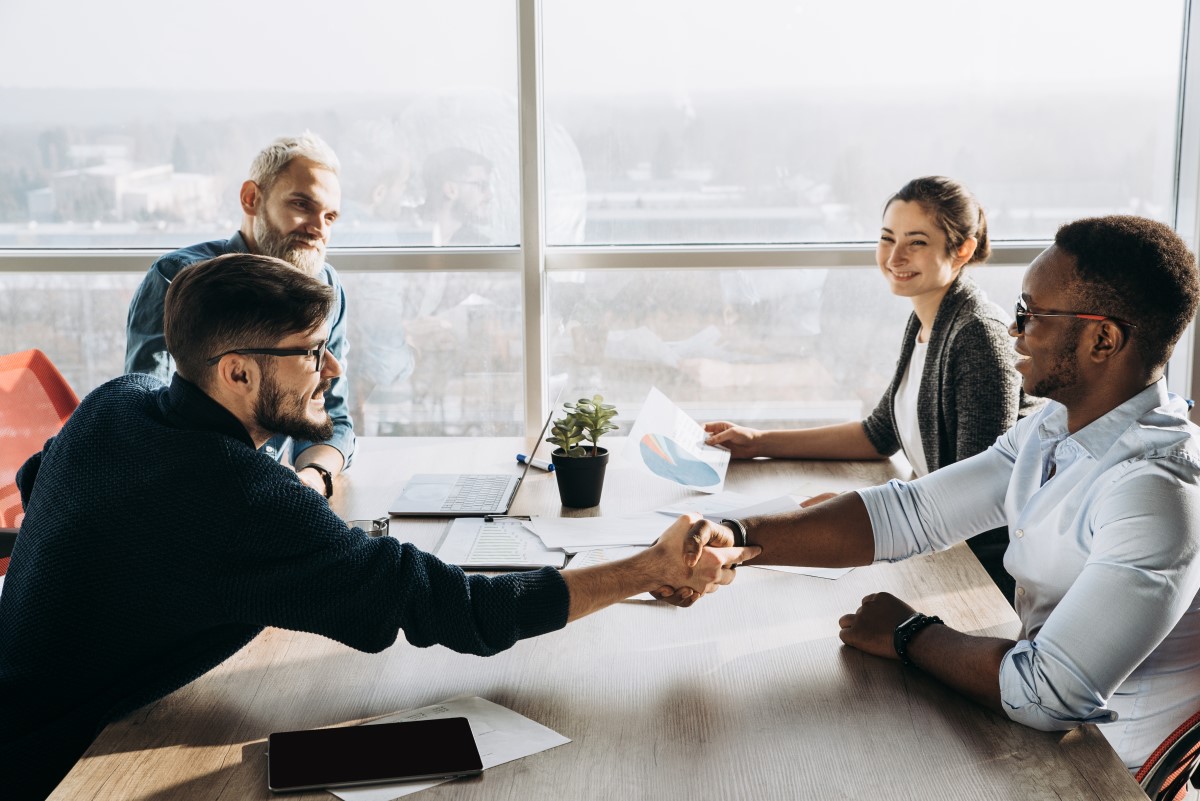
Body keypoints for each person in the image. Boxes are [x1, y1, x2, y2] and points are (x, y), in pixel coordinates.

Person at [0, 252, 757, 801]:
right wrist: (644, 568)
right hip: (55, 763)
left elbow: (40, 483)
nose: (329, 371)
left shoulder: (119, 400)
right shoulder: (241, 495)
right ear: (235, 371)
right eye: (309, 352)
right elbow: (458, 610)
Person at [684, 215, 1200, 771]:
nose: (1013, 330)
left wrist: (910, 634)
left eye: (1031, 314)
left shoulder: (1156, 489)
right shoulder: (1054, 426)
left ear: (1103, 338)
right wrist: (735, 537)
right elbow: (911, 513)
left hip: (1105, 767)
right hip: (1027, 723)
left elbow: (1048, 694)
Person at [705, 176, 1030, 601]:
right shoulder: (926, 317)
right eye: (887, 238)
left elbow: (975, 496)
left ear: (963, 249)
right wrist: (758, 441)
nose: (895, 256)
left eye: (916, 242)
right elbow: (879, 435)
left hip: (980, 571)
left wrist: (856, 506)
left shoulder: (977, 335)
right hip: (934, 542)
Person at [125, 131, 374, 499]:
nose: (319, 229)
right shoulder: (180, 279)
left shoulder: (325, 285)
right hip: (198, 492)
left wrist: (313, 476)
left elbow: (331, 413)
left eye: (330, 216)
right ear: (251, 198)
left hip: (275, 492)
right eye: (302, 205)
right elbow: (153, 415)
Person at [421, 146, 494, 246]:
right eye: (482, 185)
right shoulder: (401, 235)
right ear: (450, 190)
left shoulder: (479, 246)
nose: (490, 195)